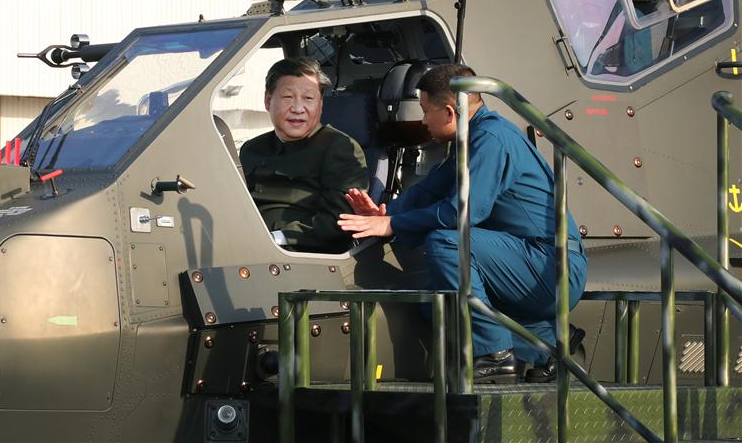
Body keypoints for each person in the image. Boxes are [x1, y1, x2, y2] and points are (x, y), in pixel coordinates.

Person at [338, 64, 587, 382]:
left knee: (446, 242)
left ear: (450, 112)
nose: (424, 120)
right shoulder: (470, 141)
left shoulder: (492, 139)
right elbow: (429, 191)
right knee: (439, 305)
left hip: (551, 269)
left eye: (426, 111)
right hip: (528, 264)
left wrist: (394, 226)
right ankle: (547, 344)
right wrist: (385, 215)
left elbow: (461, 213)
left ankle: (494, 353)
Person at [240, 57, 369, 254]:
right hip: (242, 244)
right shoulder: (252, 148)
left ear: (321, 104)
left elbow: (338, 220)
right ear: (268, 101)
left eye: (308, 98)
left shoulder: (340, 148)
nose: (298, 108)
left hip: (298, 254)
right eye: (288, 97)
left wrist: (277, 238)